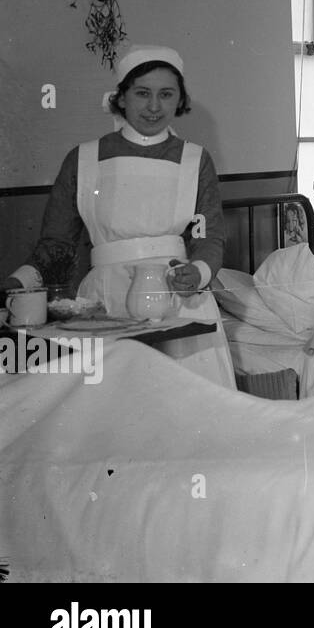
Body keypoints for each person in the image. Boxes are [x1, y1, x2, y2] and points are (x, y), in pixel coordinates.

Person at [2, 45, 235, 387]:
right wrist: (16, 284)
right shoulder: (82, 159)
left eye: (166, 94)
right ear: (121, 97)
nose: (154, 107)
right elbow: (56, 245)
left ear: (179, 99)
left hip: (178, 299)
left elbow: (208, 236)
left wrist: (197, 273)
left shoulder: (196, 160)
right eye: (142, 93)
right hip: (105, 302)